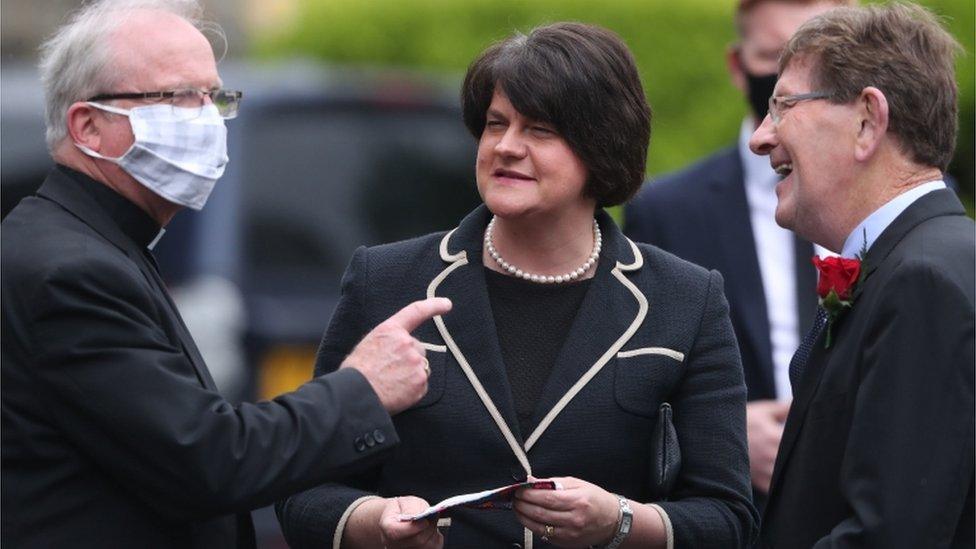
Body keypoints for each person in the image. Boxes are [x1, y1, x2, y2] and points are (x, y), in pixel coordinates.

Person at [277, 22, 758, 549]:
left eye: (539, 129)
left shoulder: (687, 300)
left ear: (602, 145)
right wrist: (373, 520)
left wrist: (620, 522)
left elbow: (728, 518)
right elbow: (304, 486)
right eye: (495, 124)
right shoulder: (386, 279)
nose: (506, 146)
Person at [0, 1, 451, 547]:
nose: (207, 120)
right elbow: (208, 458)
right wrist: (362, 389)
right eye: (178, 97)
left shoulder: (100, 242)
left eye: (213, 97)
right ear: (89, 126)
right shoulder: (71, 271)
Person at [747, 3, 974, 546]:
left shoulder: (923, 281)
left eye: (782, 106)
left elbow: (890, 534)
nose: (760, 137)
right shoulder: (926, 260)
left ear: (868, 121)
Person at [623, 0, 850, 503]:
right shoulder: (667, 210)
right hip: (735, 506)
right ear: (737, 65)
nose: (794, 86)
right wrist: (722, 431)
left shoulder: (896, 198)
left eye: (821, 62)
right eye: (776, 57)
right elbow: (634, 375)